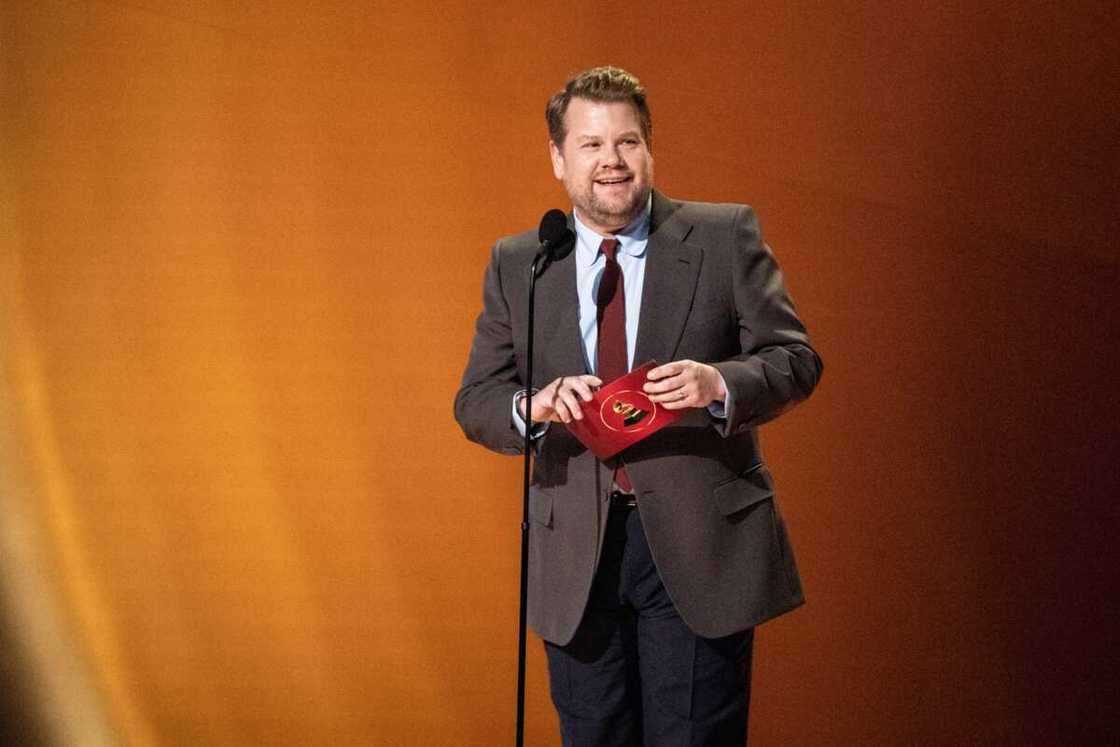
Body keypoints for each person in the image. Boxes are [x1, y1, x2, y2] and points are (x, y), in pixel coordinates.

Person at [454, 66, 822, 745]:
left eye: (627, 143)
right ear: (559, 159)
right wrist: (533, 405)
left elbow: (795, 359)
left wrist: (719, 384)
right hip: (577, 557)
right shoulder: (522, 262)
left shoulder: (722, 235)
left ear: (649, 149)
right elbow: (476, 399)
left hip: (697, 546)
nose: (611, 163)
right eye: (591, 146)